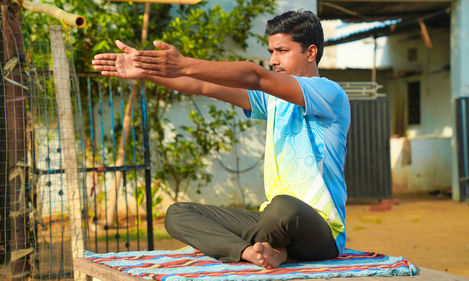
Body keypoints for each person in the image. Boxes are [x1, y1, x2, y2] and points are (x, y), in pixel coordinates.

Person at [92, 10, 350, 270]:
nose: (273, 60)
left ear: (311, 52)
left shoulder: (330, 94)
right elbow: (202, 86)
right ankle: (253, 251)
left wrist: (184, 63)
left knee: (284, 206)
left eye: (281, 50)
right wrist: (147, 71)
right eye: (271, 51)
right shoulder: (274, 100)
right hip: (270, 222)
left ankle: (266, 247)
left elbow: (255, 77)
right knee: (178, 214)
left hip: (320, 232)